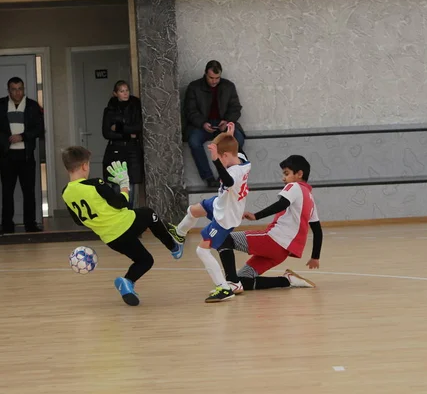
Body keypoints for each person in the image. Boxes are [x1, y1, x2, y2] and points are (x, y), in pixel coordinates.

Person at [61, 146, 184, 306]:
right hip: (126, 224)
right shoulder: (95, 183)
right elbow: (120, 203)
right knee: (148, 214)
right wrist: (124, 185)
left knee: (145, 260)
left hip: (111, 239)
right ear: (85, 166)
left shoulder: (66, 193)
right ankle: (174, 247)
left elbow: (78, 220)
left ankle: (127, 283)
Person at [170, 124, 251, 302]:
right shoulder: (243, 160)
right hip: (220, 203)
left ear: (226, 156)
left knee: (202, 250)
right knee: (193, 210)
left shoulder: (234, 172)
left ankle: (224, 288)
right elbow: (235, 148)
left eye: (219, 158)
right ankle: (179, 234)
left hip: (225, 217)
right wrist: (230, 136)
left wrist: (215, 160)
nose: (217, 161)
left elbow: (228, 181)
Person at [217, 155, 322, 290]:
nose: (283, 178)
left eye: (286, 173)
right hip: (282, 252)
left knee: (222, 238)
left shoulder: (294, 186)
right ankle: (286, 281)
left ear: (299, 174)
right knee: (244, 279)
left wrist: (256, 216)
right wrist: (315, 257)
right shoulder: (310, 198)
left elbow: (282, 204)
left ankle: (231, 282)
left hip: (273, 241)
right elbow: (318, 231)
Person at [0, 76, 44, 234]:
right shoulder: (1, 104)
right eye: (14, 89)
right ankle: (7, 226)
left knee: (29, 191)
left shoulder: (32, 106)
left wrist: (22, 136)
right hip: (7, 155)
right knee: (7, 192)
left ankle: (30, 225)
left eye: (20, 89)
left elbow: (40, 129)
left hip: (26, 155)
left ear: (24, 89)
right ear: (9, 90)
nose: (17, 92)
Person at [184, 60, 246, 187]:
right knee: (194, 141)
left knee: (238, 139)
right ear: (205, 74)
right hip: (201, 125)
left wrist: (227, 121)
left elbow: (236, 108)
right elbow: (189, 111)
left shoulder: (228, 86)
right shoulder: (194, 87)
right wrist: (202, 123)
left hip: (223, 124)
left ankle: (226, 175)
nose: (214, 81)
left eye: (217, 78)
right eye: (211, 78)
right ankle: (208, 177)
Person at [102, 80, 144, 208]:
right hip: (116, 149)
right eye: (121, 91)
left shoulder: (136, 106)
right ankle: (118, 212)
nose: (125, 93)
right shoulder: (110, 110)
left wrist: (119, 128)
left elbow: (138, 127)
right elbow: (106, 132)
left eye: (127, 90)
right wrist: (127, 133)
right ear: (115, 93)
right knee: (116, 182)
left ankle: (129, 212)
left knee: (130, 182)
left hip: (132, 149)